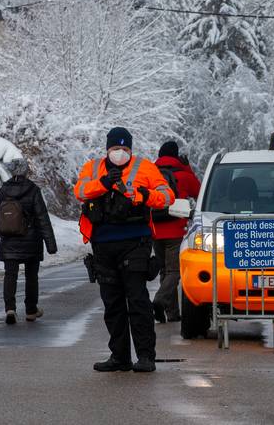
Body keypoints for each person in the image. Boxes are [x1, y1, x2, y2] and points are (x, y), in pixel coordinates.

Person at [74, 127, 174, 373]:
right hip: (103, 244)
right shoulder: (93, 168)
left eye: (125, 149)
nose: (120, 153)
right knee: (112, 303)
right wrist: (103, 183)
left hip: (135, 243)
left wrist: (145, 194)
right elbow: (80, 191)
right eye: (115, 148)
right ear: (107, 149)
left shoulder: (145, 167)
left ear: (131, 149)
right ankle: (119, 356)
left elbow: (167, 195)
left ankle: (146, 356)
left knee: (137, 301)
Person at [0, 158, 57, 325]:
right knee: (31, 277)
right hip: (32, 240)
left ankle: (10, 309)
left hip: (9, 239)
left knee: (10, 276)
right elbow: (42, 218)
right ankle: (31, 310)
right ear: (25, 171)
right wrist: (50, 244)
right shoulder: (33, 190)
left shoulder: (3, 190)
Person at [150, 141, 201, 324]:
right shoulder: (183, 175)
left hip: (155, 229)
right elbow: (199, 191)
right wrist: (187, 168)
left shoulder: (152, 174)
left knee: (165, 270)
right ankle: (159, 300)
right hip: (175, 229)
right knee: (174, 271)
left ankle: (171, 313)